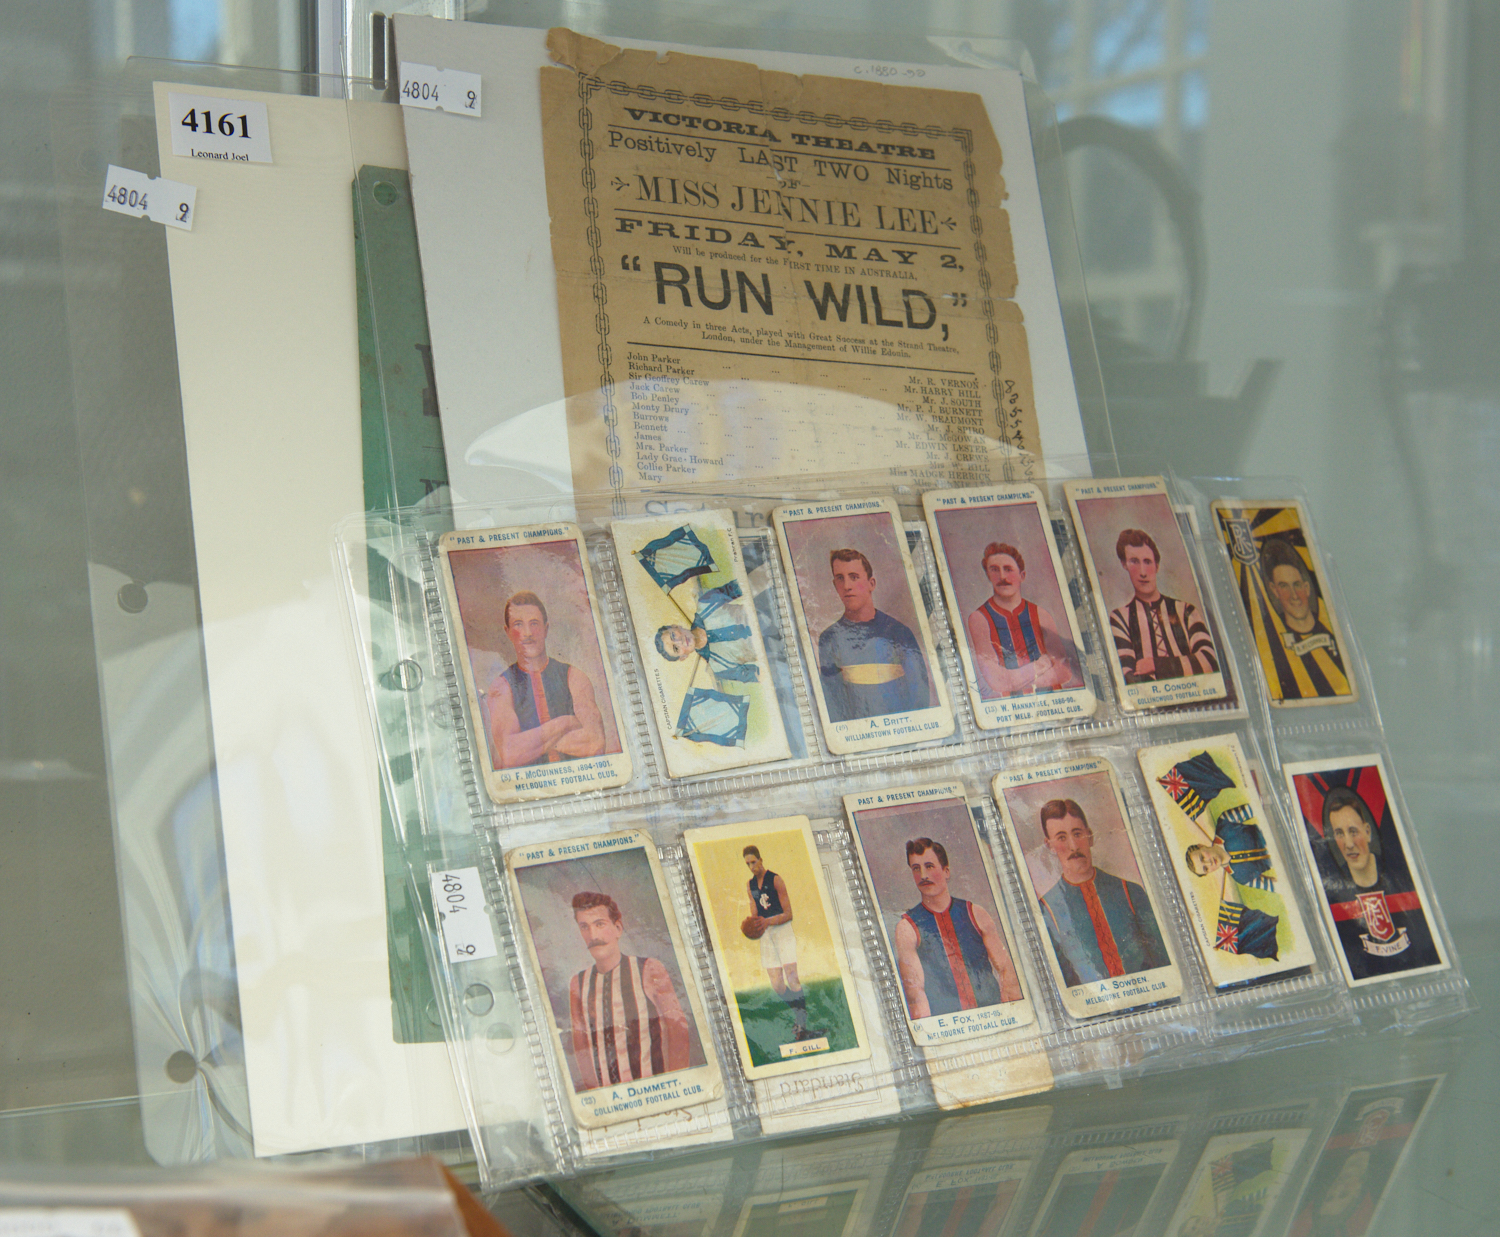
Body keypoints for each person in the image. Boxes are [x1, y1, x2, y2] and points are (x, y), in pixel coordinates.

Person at [1035, 798, 1170, 985]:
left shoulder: (1130, 891)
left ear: (1089, 836)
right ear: (1049, 845)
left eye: (1077, 834)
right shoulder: (1046, 909)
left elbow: (1164, 962)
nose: (1074, 846)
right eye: (1061, 838)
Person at [1162, 752, 1282, 961]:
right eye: (1205, 868)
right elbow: (1277, 885)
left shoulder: (1226, 823)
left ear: (1202, 846)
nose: (1209, 862)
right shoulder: (1241, 878)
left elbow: (1259, 807)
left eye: (1202, 857)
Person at [566, 892, 691, 1090]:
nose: (593, 936)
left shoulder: (649, 969)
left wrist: (677, 1087)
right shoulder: (578, 983)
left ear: (618, 928)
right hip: (613, 1099)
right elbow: (581, 1046)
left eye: (600, 924)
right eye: (584, 927)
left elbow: (678, 1032)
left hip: (657, 1091)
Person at [893, 837, 1022, 1019]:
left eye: (929, 866)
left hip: (992, 1017)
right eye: (916, 868)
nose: (923, 876)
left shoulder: (976, 913)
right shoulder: (907, 927)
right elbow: (915, 993)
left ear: (946, 871)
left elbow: (1007, 970)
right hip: (949, 1024)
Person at [1319, 785, 1440, 976]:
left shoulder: (1399, 874)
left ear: (1368, 832)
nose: (1348, 844)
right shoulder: (1331, 891)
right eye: (1340, 834)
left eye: (1353, 831)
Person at [486, 591, 606, 768]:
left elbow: (596, 744)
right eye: (518, 624)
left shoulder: (574, 677)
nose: (527, 633)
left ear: (546, 629)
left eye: (534, 623)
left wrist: (531, 743)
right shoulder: (501, 686)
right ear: (508, 632)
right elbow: (510, 754)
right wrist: (565, 723)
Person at [816, 548, 931, 721]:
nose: (847, 586)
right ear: (835, 585)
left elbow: (920, 698)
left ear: (872, 584)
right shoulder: (829, 639)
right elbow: (833, 706)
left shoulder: (899, 633)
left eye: (854, 577)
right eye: (840, 578)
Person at [965, 542, 1079, 699]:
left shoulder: (1041, 614)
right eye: (994, 570)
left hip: (1052, 702)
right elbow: (997, 682)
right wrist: (1042, 664)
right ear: (988, 575)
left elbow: (1064, 672)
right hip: (1010, 707)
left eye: (1008, 569)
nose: (1002, 577)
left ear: (1022, 575)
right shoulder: (979, 618)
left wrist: (1015, 680)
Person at [1108, 529, 1218, 683]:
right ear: (1124, 564)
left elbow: (1210, 660)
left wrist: (1155, 665)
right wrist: (1186, 667)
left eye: (1147, 562)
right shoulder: (1120, 618)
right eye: (1134, 561)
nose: (1143, 572)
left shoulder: (1186, 610)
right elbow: (1128, 676)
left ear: (1157, 566)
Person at [742, 845, 823, 1043]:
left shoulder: (775, 880)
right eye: (748, 864)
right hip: (766, 934)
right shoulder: (750, 885)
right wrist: (752, 925)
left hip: (782, 929)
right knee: (777, 984)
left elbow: (788, 914)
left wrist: (767, 921)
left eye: (753, 862)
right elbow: (755, 912)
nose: (751, 867)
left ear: (761, 860)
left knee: (792, 977)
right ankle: (800, 1013)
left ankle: (801, 1025)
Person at [1258, 537, 1350, 698]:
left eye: (1297, 585)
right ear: (1274, 590)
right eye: (1284, 586)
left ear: (1307, 588)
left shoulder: (1337, 634)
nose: (1294, 595)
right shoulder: (1271, 643)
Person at [653, 579, 761, 683]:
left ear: (676, 626)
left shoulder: (705, 604)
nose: (679, 641)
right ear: (683, 657)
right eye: (676, 648)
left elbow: (748, 582)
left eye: (673, 635)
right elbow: (761, 675)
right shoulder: (718, 667)